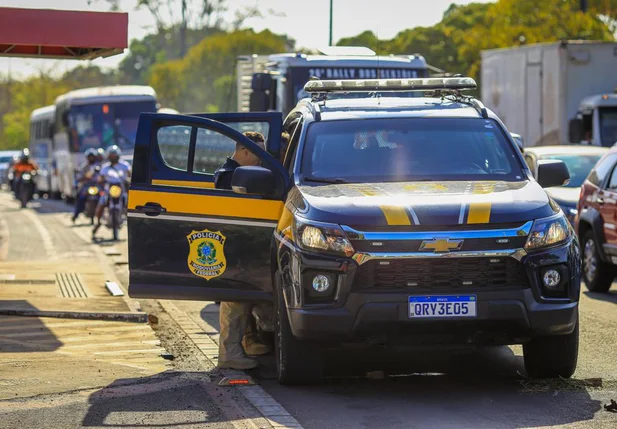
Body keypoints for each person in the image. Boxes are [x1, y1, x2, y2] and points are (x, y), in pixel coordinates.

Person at [214, 131, 272, 370]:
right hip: (233, 245)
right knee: (234, 298)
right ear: (245, 151)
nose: (261, 160)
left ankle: (246, 342)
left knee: (246, 295)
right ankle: (229, 354)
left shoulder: (232, 172)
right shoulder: (229, 176)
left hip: (241, 244)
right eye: (258, 154)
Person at [92, 145, 131, 238]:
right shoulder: (105, 167)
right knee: (101, 205)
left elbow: (130, 175)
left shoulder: (125, 165)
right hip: (109, 190)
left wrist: (128, 180)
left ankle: (133, 224)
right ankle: (98, 223)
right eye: (111, 156)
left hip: (122, 189)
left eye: (114, 155)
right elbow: (100, 179)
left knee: (130, 206)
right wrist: (100, 180)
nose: (113, 157)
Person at [72, 148, 100, 223]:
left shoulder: (99, 166)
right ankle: (76, 214)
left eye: (92, 156)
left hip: (97, 185)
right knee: (80, 198)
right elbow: (79, 177)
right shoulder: (84, 167)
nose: (91, 158)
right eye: (89, 157)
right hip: (87, 186)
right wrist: (83, 177)